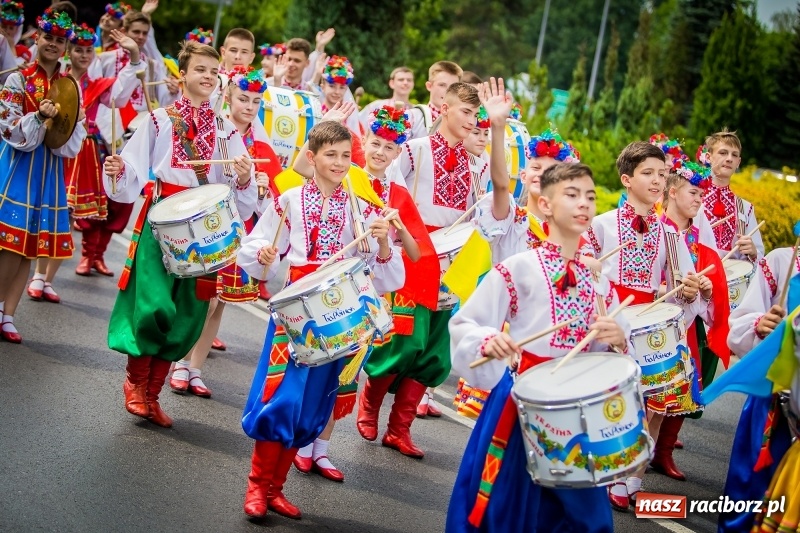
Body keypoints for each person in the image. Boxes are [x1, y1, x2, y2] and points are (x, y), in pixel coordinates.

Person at [446, 162, 630, 533]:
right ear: (545, 205)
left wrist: (618, 339)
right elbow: (466, 323)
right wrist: (490, 340)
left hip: (580, 414)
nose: (584, 205)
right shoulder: (519, 268)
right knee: (509, 509)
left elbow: (615, 355)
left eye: (590, 197)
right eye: (572, 195)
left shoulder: (600, 283)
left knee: (586, 519)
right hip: (522, 406)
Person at [238, 120, 404, 520]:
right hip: (296, 311)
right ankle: (257, 488)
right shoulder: (289, 201)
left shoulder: (362, 209)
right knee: (281, 396)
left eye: (347, 155)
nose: (341, 162)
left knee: (313, 403)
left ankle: (277, 489)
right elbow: (262, 244)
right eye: (331, 154)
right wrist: (263, 255)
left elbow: (384, 275)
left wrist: (382, 240)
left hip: (338, 313)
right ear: (311, 157)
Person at [102, 40, 256, 428]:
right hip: (162, 223)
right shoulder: (158, 121)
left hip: (206, 230)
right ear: (182, 74)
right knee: (155, 305)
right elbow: (134, 172)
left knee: (188, 314)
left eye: (212, 70)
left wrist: (243, 175)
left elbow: (241, 191)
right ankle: (135, 383)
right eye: (199, 69)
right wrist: (117, 170)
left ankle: (152, 395)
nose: (207, 76)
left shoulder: (226, 128)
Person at [292, 102, 437, 481]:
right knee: (310, 368)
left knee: (344, 373)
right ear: (364, 142)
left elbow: (417, 252)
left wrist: (397, 228)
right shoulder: (345, 172)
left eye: (390, 148)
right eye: (375, 143)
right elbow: (299, 171)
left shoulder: (397, 193)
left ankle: (321, 450)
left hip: (364, 292)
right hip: (327, 284)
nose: (380, 152)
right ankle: (298, 443)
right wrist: (330, 124)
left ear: (398, 153)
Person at [358, 82, 482, 458]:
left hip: (452, 259)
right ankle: (369, 404)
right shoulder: (413, 149)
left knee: (432, 348)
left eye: (476, 115)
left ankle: (401, 427)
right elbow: (385, 192)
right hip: (411, 254)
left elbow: (478, 211)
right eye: (465, 111)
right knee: (403, 338)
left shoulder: (474, 163)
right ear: (444, 107)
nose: (471, 121)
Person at [583, 141, 706, 510]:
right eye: (648, 173)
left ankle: (631, 477)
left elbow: (682, 287)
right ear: (626, 179)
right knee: (609, 399)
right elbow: (583, 269)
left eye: (662, 173)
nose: (657, 180)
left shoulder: (670, 234)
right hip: (610, 318)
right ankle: (599, 470)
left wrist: (688, 287)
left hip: (651, 323)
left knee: (653, 402)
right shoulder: (601, 224)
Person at [170, 66, 281, 398]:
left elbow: (269, 205)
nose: (249, 106)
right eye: (243, 98)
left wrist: (258, 186)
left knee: (219, 303)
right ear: (228, 97)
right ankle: (179, 362)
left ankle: (195, 368)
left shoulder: (261, 148)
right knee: (203, 298)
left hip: (239, 230)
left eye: (256, 101)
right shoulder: (213, 131)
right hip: (208, 226)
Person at [0, 7, 87, 344]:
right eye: (48, 37)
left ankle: (9, 314)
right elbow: (8, 129)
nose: (53, 44)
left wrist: (64, 123)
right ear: (36, 38)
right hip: (16, 169)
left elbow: (68, 142)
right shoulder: (17, 79)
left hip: (47, 173)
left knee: (30, 246)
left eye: (59, 40)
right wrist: (37, 117)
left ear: (65, 47)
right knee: (9, 243)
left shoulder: (68, 86)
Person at [647, 159, 730, 481]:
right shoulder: (652, 227)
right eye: (693, 192)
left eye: (701, 195)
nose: (699, 199)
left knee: (683, 383)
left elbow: (712, 290)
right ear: (672, 192)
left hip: (685, 324)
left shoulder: (698, 241)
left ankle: (662, 452)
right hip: (650, 319)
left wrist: (707, 291)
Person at [719, 245, 800, 532]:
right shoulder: (782, 261)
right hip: (774, 401)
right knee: (749, 495)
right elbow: (738, 325)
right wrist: (760, 324)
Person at [699, 129, 764, 262]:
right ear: (708, 157)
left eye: (734, 155)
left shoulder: (746, 208)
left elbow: (760, 256)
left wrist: (753, 252)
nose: (729, 159)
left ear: (738, 162)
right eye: (723, 153)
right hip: (695, 276)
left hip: (732, 280)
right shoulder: (693, 198)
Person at [0, 0, 24, 82]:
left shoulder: (24, 51)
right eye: (4, 26)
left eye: (11, 28)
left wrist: (11, 47)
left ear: (17, 30)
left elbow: (12, 77)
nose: (7, 31)